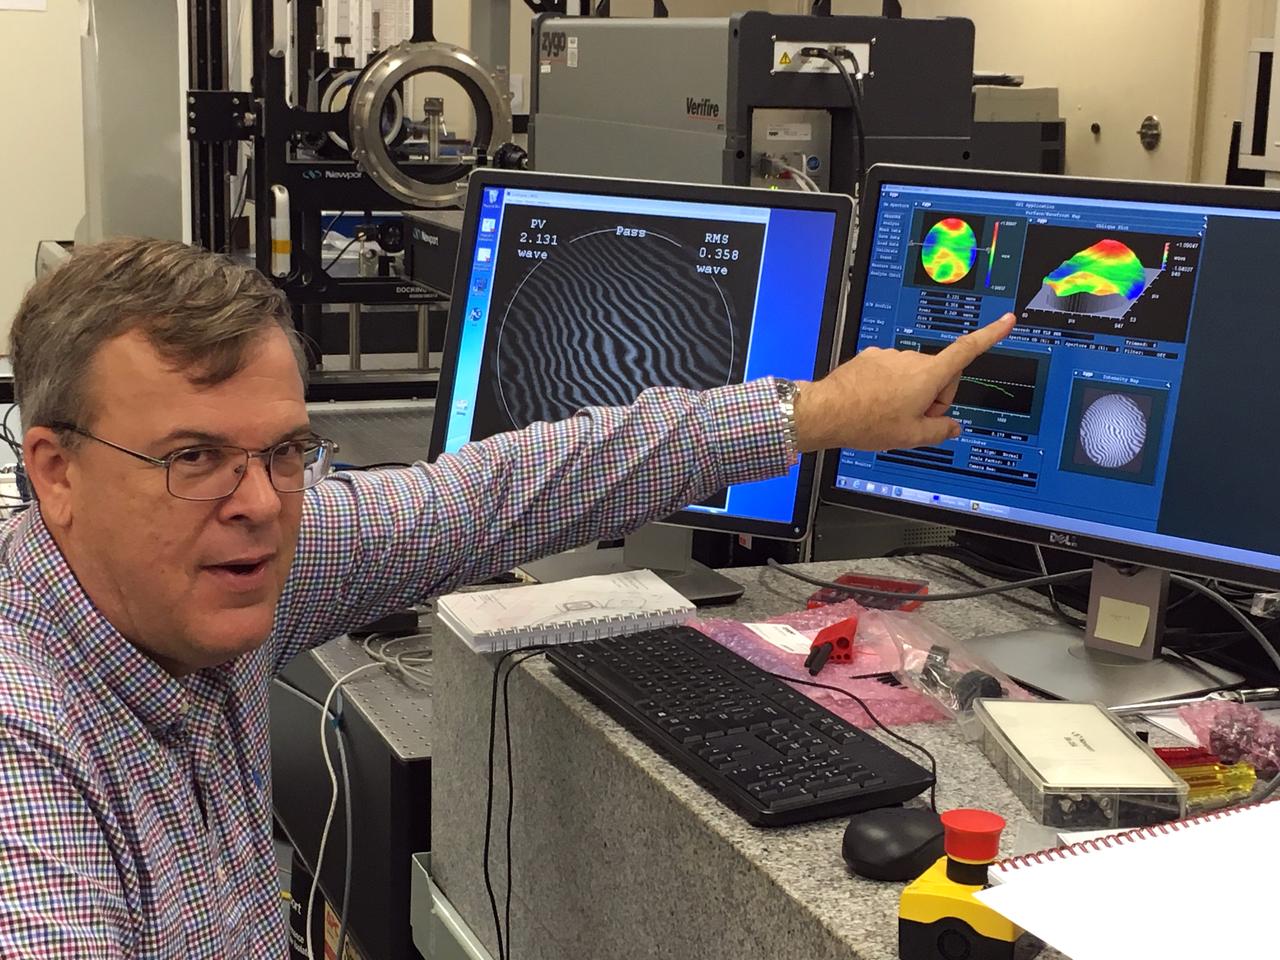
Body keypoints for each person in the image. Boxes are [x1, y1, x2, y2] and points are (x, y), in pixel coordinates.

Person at [0, 237, 1013, 957]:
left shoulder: (189, 573)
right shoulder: (28, 760)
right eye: (193, 458)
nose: (259, 503)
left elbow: (501, 492)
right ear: (54, 471)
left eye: (287, 451)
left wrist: (822, 409)